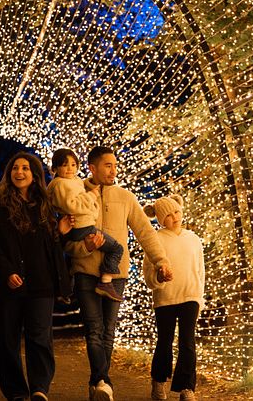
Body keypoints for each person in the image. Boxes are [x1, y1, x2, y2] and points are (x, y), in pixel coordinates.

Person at [64, 146, 173, 401]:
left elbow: (145, 232)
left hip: (116, 276)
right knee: (94, 328)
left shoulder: (125, 197)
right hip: (85, 272)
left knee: (108, 331)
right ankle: (104, 381)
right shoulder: (75, 195)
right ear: (92, 168)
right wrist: (85, 247)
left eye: (115, 165)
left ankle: (98, 382)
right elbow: (65, 242)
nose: (113, 170)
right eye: (107, 165)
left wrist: (161, 261)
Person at [0, 152, 73, 401]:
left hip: (41, 284)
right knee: (8, 341)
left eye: (25, 168)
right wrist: (7, 272)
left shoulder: (44, 207)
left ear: (34, 175)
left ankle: (40, 388)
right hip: (7, 286)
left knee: (40, 338)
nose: (19, 172)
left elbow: (50, 249)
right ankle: (16, 392)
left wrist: (61, 233)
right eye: (15, 168)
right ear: (9, 175)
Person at [143, 195, 205, 401]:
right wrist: (159, 277)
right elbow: (149, 275)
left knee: (188, 341)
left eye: (176, 212)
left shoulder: (193, 239)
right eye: (168, 215)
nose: (174, 217)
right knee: (165, 341)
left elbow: (200, 270)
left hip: (190, 297)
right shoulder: (156, 240)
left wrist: (199, 297)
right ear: (160, 219)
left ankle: (187, 388)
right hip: (166, 299)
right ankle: (158, 381)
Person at [47, 148, 124, 302]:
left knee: (70, 260)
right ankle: (106, 282)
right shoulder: (60, 184)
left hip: (83, 224)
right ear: (55, 168)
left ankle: (66, 289)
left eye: (73, 165)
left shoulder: (73, 181)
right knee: (116, 248)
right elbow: (73, 205)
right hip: (82, 226)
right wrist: (91, 196)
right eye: (65, 165)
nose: (70, 169)